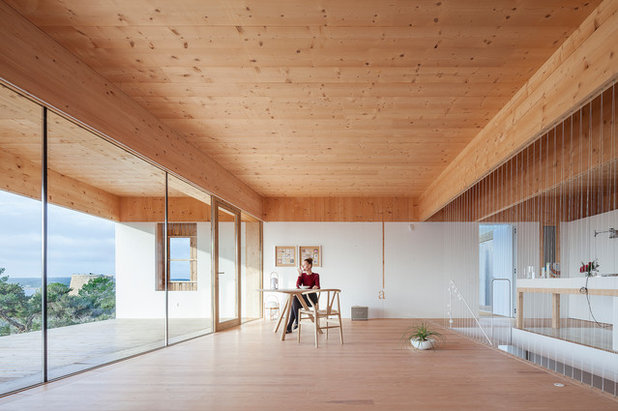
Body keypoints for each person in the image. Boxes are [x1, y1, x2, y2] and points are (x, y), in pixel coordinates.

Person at [286, 257, 320, 333]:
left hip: (311, 299)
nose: (303, 267)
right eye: (303, 265)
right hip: (304, 298)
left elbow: (318, 285)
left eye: (305, 265)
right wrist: (300, 275)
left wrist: (315, 287)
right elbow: (298, 286)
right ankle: (293, 324)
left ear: (310, 265)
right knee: (295, 300)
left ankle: (293, 324)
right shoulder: (303, 275)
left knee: (294, 300)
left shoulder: (316, 275)